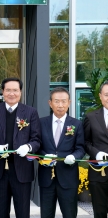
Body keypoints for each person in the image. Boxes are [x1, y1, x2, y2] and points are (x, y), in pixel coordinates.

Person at [0, 77, 41, 218]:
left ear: (21, 92)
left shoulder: (30, 112)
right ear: (2, 92)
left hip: (22, 170)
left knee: (23, 212)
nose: (12, 93)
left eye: (15, 90)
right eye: (8, 90)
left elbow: (37, 139)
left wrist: (28, 147)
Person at [38, 87, 84, 218]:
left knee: (70, 214)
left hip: (68, 178)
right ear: (50, 103)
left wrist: (74, 156)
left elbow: (81, 148)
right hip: (47, 178)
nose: (60, 105)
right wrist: (43, 156)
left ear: (69, 103)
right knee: (46, 214)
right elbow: (37, 145)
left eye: (64, 101)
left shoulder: (76, 124)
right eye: (56, 101)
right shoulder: (41, 123)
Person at [84, 80, 108, 218]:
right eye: (106, 94)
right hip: (98, 174)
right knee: (99, 213)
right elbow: (85, 142)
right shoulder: (91, 117)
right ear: (100, 96)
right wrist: (96, 153)